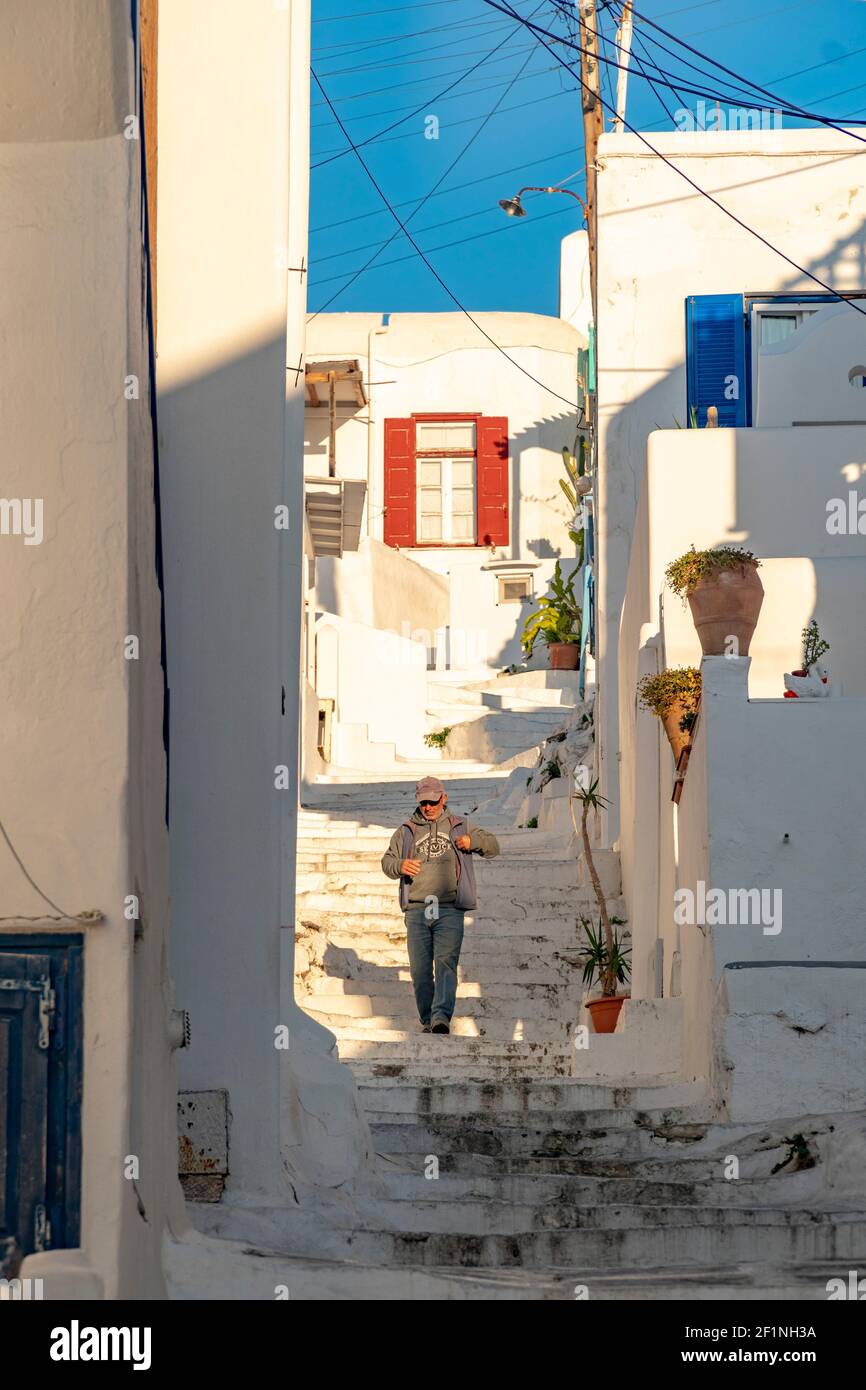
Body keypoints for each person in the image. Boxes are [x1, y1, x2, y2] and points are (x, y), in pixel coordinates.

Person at [381, 776, 500, 1035]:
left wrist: (473, 842)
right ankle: (427, 1019)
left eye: (433, 801)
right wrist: (400, 865)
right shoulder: (406, 830)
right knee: (420, 970)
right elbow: (386, 862)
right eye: (423, 802)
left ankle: (440, 1018)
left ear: (443, 798)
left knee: (446, 963)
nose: (428, 807)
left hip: (449, 908)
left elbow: (494, 847)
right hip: (416, 908)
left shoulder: (460, 826)